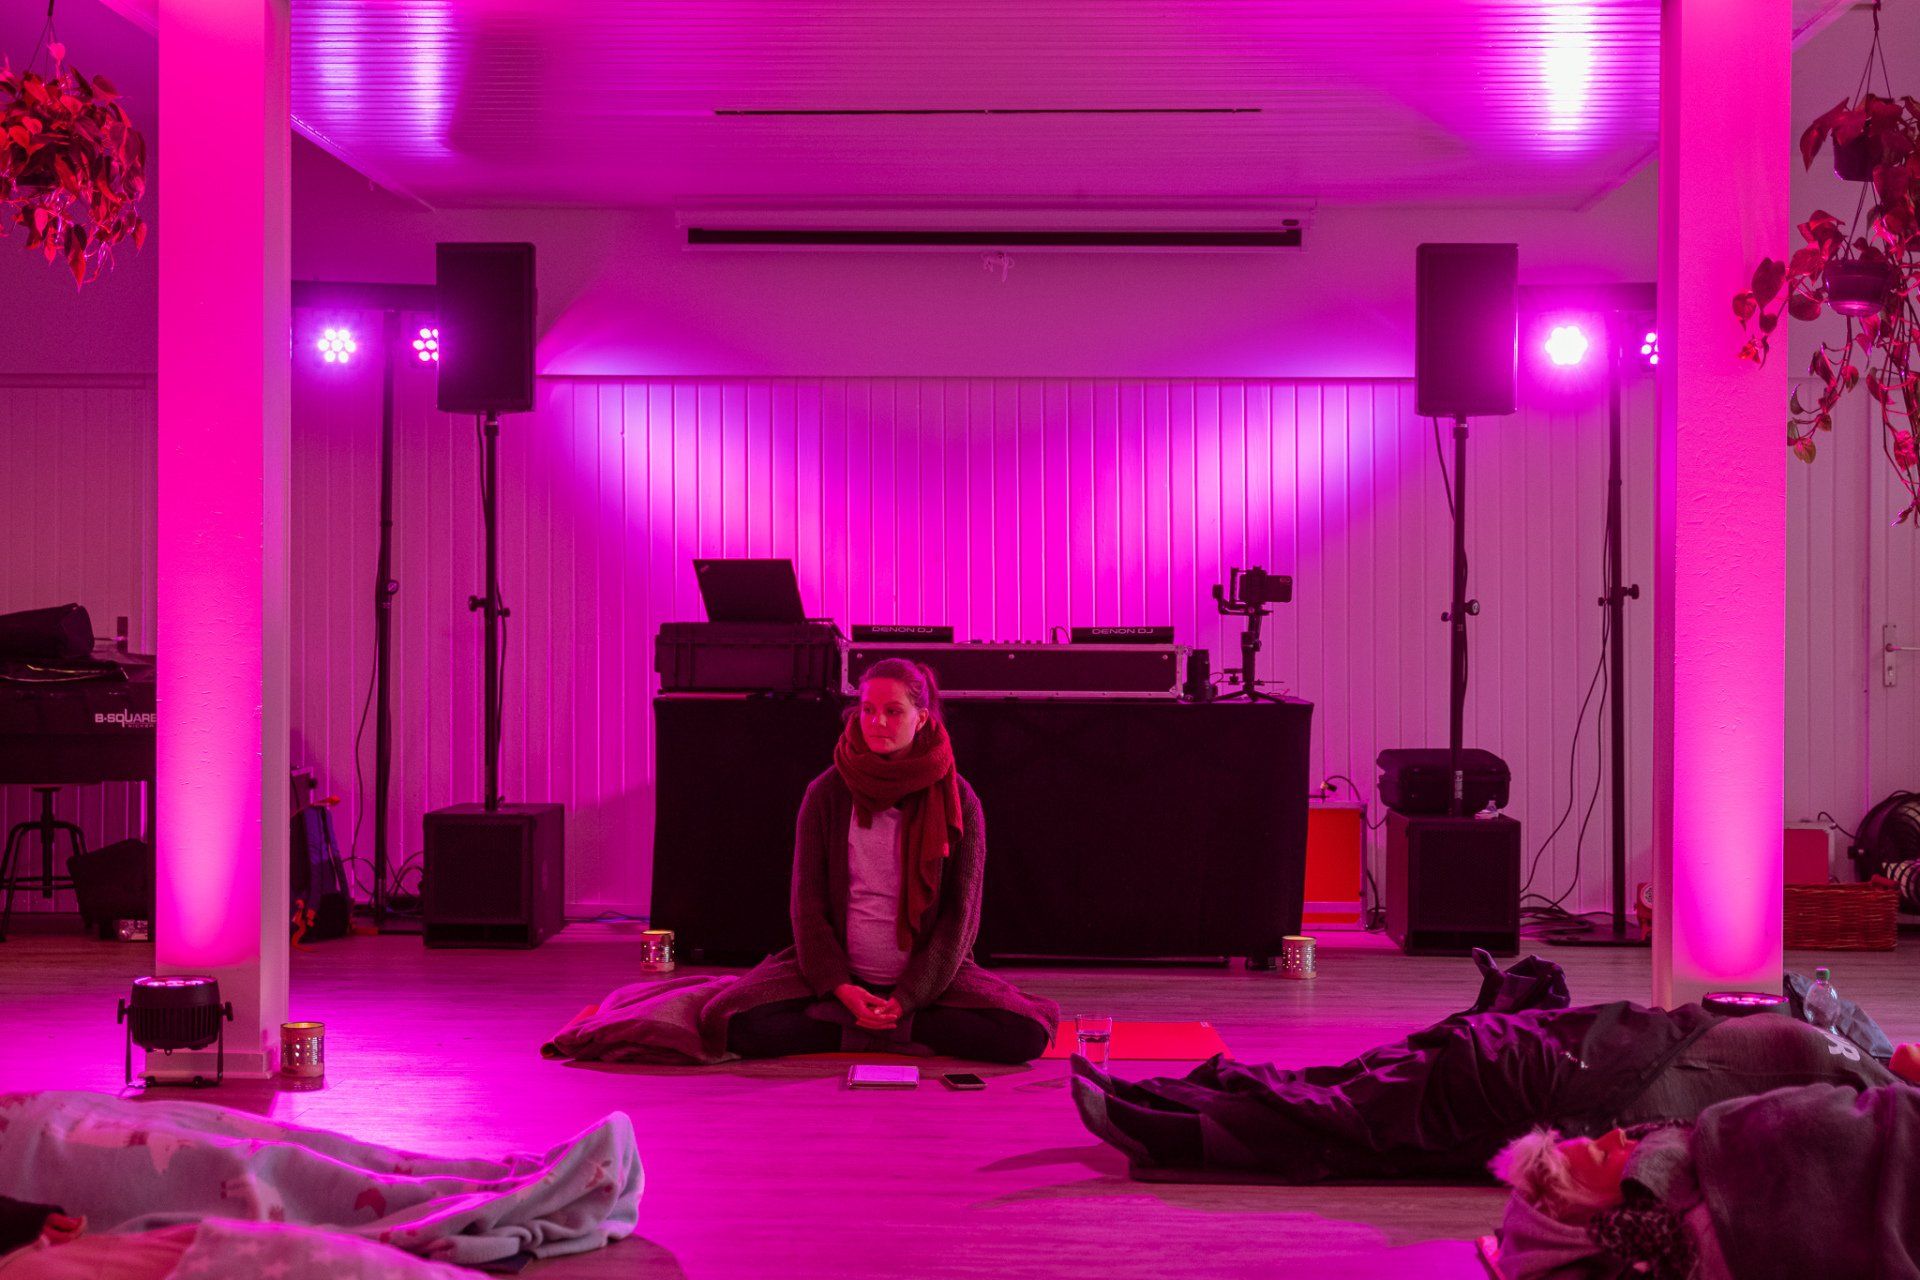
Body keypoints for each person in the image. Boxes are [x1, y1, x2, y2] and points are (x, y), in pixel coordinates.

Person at [1069, 1002, 1903, 1184]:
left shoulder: (1878, 1114)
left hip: (1602, 1093)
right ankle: (1174, 1099)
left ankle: (1183, 1132)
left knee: (1389, 1116)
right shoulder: (1870, 1062)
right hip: (1611, 1040)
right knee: (1391, 1071)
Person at [705, 659, 1056, 1063]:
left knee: (1025, 1034)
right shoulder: (826, 794)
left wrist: (906, 998)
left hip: (928, 984)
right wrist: (841, 987)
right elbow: (807, 907)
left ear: (921, 718)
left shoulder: (960, 800)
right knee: (732, 1021)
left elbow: (960, 920)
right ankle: (889, 1028)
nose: (878, 722)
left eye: (893, 711)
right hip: (842, 976)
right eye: (868, 709)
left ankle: (862, 1027)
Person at [1491, 1077, 1920, 1280]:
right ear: (1599, 1216)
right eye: (1602, 1156)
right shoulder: (1706, 1243)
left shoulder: (1692, 1148)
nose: (1617, 1134)